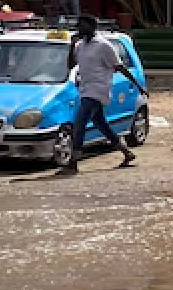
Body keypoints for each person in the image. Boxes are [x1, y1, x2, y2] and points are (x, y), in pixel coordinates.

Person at [57, 15, 144, 174]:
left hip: (98, 90)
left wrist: (138, 86)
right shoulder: (80, 46)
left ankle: (73, 162)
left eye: (82, 26)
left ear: (92, 27)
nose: (79, 29)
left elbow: (119, 67)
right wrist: (71, 45)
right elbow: (71, 65)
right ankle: (126, 152)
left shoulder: (104, 45)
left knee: (79, 124)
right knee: (100, 124)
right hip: (85, 89)